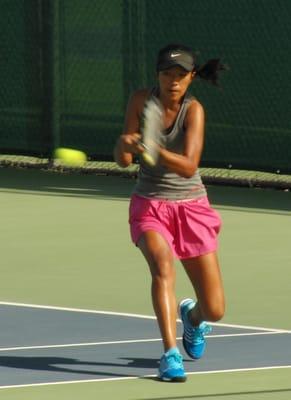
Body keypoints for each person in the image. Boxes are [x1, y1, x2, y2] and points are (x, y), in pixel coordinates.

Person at [114, 43, 226, 382]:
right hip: (149, 204)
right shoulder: (139, 101)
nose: (172, 81)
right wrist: (124, 145)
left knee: (216, 310)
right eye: (167, 74)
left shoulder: (194, 111)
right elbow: (124, 160)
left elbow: (189, 164)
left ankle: (192, 318)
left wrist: (154, 149)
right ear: (157, 75)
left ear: (192, 77)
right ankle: (170, 353)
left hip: (191, 207)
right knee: (162, 267)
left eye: (180, 75)